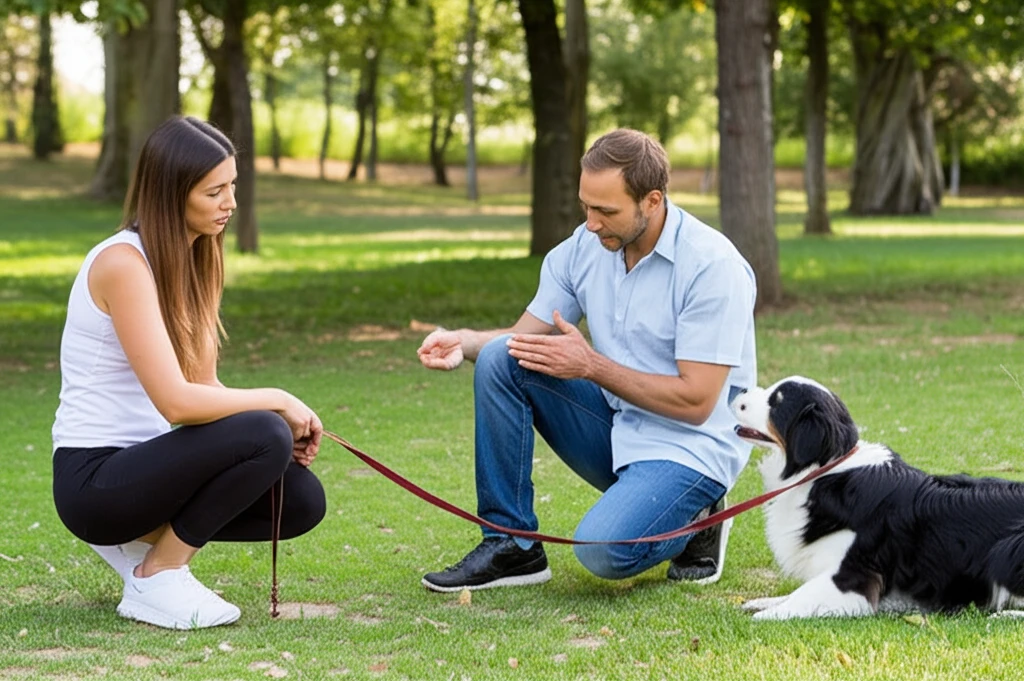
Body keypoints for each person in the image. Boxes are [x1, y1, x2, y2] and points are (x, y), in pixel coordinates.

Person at [416, 128, 756, 592]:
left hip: (691, 446)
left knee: (600, 551)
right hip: (618, 426)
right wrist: (465, 341)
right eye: (586, 206)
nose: (591, 224)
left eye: (606, 211)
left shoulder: (713, 266)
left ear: (652, 201)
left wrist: (591, 366)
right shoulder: (585, 247)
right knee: (502, 358)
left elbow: (697, 402)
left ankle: (698, 521)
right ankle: (512, 545)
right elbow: (523, 340)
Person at [51, 116, 327, 629]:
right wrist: (279, 402)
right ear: (171, 194)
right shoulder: (122, 264)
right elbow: (176, 404)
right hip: (93, 479)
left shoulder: (196, 258)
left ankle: (145, 555)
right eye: (214, 191)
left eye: (233, 186)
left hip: (147, 468)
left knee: (301, 500)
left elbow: (205, 389)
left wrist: (275, 435)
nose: (231, 204)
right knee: (265, 428)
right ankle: (157, 573)